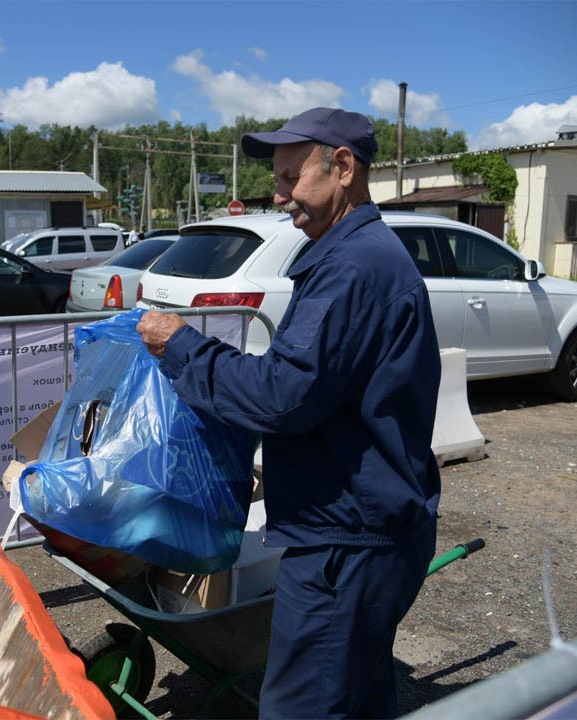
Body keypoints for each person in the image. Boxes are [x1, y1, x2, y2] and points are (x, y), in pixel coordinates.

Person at [136, 107, 441, 718]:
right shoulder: (349, 255)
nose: (279, 196)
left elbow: (284, 393)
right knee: (356, 694)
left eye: (289, 177)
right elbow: (325, 396)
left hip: (346, 540)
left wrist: (183, 347)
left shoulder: (355, 266)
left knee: (302, 706)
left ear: (344, 167)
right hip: (360, 525)